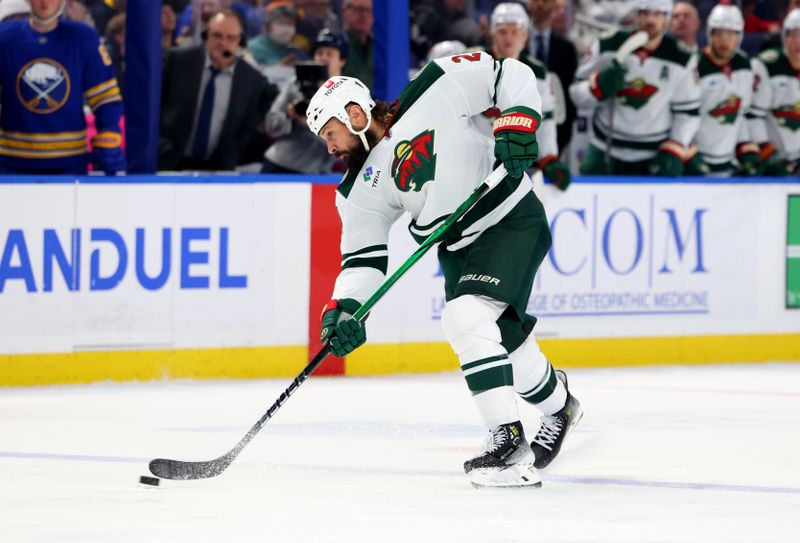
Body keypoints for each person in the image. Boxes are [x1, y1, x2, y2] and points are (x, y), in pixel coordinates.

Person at [305, 53, 582, 488]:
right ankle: (561, 406)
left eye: (332, 133)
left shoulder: (436, 84)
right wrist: (343, 309)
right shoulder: (357, 190)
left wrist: (519, 119)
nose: (330, 147)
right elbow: (362, 260)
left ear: (355, 114)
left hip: (509, 217)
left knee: (465, 318)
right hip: (457, 249)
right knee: (508, 343)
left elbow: (509, 74)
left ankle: (507, 446)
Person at [570, 0, 701, 176]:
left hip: (654, 153)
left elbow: (688, 111)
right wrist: (597, 87)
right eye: (645, 13)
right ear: (637, 15)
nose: (650, 20)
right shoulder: (608, 44)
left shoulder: (681, 57)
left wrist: (676, 146)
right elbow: (576, 93)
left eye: (657, 14)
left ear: (667, 19)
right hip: (605, 146)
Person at [0, 0, 124, 175]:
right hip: (12, 162)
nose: (45, 2)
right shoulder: (5, 39)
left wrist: (108, 131)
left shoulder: (84, 38)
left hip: (69, 162)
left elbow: (105, 97)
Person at [158, 9, 271, 171]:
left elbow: (247, 126)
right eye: (217, 35)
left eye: (230, 38)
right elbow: (156, 106)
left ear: (240, 41)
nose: (223, 43)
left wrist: (231, 156)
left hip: (219, 170)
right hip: (169, 163)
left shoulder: (251, 78)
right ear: (206, 35)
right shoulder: (177, 61)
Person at [483, 2, 570, 189]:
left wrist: (548, 158)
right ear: (492, 34)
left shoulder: (537, 72)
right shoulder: (478, 65)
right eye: (503, 32)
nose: (509, 38)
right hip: (478, 162)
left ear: (525, 36)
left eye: (515, 32)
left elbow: (545, 120)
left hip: (519, 165)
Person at [685, 3, 759, 177]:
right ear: (710, 34)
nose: (725, 41)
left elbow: (740, 114)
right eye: (719, 34)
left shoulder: (744, 64)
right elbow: (682, 116)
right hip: (695, 162)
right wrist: (687, 152)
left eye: (731, 34)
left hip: (728, 164)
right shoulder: (695, 65)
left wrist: (745, 147)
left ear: (739, 37)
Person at [261, 29, 346, 174]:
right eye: (319, 53)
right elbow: (271, 124)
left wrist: (308, 123)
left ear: (342, 60)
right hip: (280, 163)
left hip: (319, 171)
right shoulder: (295, 84)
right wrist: (291, 118)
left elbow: (345, 142)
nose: (323, 58)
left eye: (330, 54)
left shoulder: (348, 93)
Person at [749, 8, 800, 176]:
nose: (799, 42)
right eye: (794, 35)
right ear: (785, 37)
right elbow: (753, 117)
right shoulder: (767, 65)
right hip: (774, 162)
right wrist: (768, 154)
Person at [527, 0, 578, 157]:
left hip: (555, 133)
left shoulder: (567, 49)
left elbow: (570, 99)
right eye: (536, 0)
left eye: (547, 1)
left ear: (554, 6)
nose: (541, 5)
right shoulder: (512, 44)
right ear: (529, 4)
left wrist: (562, 136)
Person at [247, 1, 306, 68]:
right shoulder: (252, 48)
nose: (286, 28)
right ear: (268, 26)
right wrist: (277, 70)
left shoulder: (294, 50)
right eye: (281, 22)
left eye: (290, 23)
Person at [341, 0, 373, 88]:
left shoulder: (381, 49)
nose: (364, 15)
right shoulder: (334, 46)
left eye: (369, 11)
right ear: (344, 10)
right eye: (359, 9)